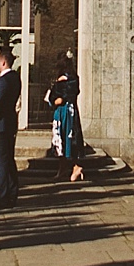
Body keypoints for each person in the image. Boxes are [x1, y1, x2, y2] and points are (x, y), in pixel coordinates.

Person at [0, 50, 21, 209]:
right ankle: (12, 192)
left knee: (0, 161)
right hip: (9, 123)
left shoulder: (4, 81)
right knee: (8, 159)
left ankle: (2, 196)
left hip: (0, 125)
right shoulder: (14, 78)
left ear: (3, 63)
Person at [48, 54, 86, 182]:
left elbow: (57, 98)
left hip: (63, 111)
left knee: (65, 138)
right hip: (70, 110)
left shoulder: (63, 80)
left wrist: (54, 99)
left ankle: (75, 167)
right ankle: (66, 167)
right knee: (69, 138)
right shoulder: (74, 79)